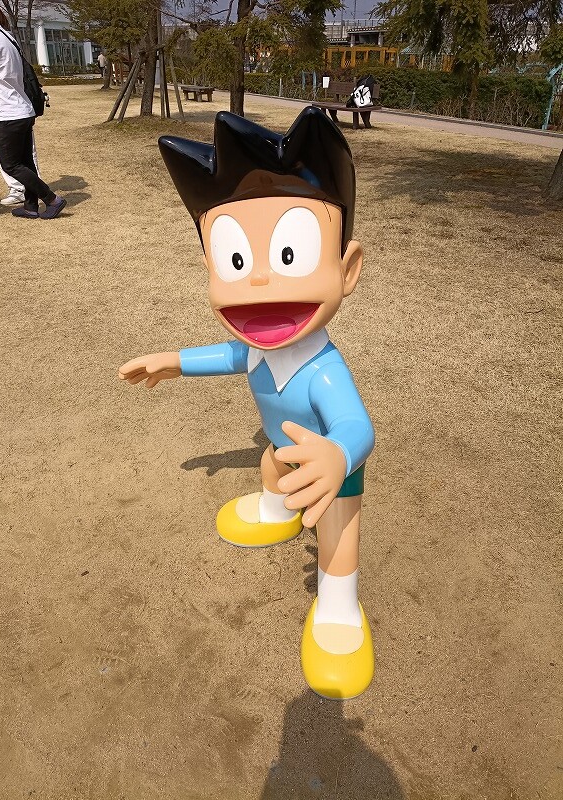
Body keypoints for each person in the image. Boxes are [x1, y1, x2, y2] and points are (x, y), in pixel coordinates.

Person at [119, 107, 376, 700]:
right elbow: (232, 356)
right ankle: (276, 510)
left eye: (288, 255)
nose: (258, 281)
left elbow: (356, 424)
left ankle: (339, 607)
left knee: (337, 535)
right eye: (235, 260)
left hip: (332, 471)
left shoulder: (323, 370)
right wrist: (174, 360)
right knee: (271, 466)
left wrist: (338, 457)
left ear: (347, 269)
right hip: (283, 452)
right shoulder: (257, 345)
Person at [0, 0, 66, 219]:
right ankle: (30, 206)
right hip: (23, 110)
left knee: (10, 165)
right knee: (26, 162)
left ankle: (52, 199)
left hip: (8, 114)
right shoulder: (7, 36)